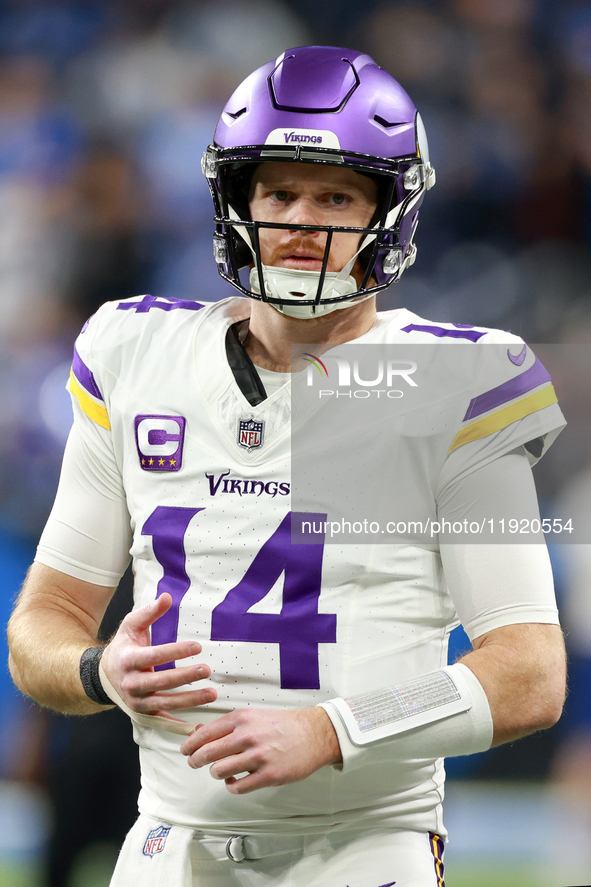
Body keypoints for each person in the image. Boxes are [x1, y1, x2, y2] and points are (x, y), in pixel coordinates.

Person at [8, 46, 566, 887]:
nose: (301, 220)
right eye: (277, 193)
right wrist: (97, 670)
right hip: (168, 841)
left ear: (390, 210)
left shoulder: (460, 383)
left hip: (363, 842)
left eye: (334, 195)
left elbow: (528, 671)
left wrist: (333, 729)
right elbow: (40, 624)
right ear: (239, 202)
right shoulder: (134, 352)